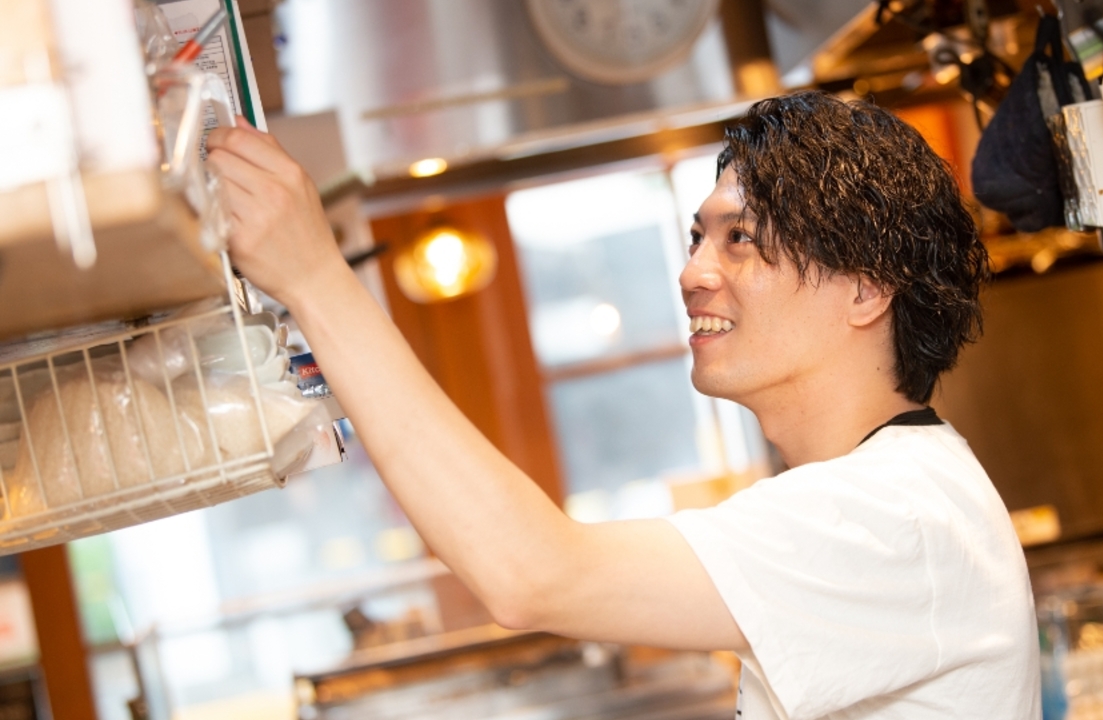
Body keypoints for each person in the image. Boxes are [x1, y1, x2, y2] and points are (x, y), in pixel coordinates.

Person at [206, 90, 1039, 719]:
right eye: (697, 236)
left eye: (740, 238)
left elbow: (532, 575)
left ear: (864, 291)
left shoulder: (890, 515)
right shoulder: (892, 489)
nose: (693, 273)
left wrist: (317, 279)